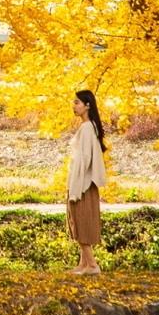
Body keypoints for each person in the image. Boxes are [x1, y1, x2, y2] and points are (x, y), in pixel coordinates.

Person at [66, 89, 108, 275]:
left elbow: (84, 160)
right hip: (84, 182)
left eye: (77, 103)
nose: (74, 106)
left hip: (82, 184)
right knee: (80, 220)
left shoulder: (87, 128)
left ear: (87, 105)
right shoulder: (90, 127)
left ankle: (91, 265)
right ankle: (83, 264)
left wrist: (75, 188)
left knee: (80, 221)